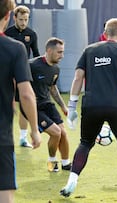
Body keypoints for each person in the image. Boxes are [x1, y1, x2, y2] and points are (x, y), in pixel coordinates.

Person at [60, 18, 117, 203]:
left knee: (85, 144)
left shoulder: (89, 50)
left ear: (105, 33)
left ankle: (71, 182)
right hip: (116, 105)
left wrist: (72, 105)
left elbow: (78, 78)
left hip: (91, 105)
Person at [0, 0, 41, 202]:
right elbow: (27, 94)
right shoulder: (13, 46)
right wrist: (36, 129)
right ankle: (26, 134)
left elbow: (37, 54)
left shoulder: (30, 36)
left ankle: (23, 135)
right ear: (9, 16)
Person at [29, 37, 71, 172]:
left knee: (63, 133)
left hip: (47, 105)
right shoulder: (32, 65)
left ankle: (66, 163)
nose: (62, 56)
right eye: (59, 52)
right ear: (49, 50)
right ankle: (52, 162)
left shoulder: (55, 70)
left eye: (63, 52)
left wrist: (63, 106)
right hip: (34, 107)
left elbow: (52, 88)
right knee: (56, 133)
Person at [5, 5, 40, 148]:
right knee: (6, 105)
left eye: (26, 20)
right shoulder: (7, 32)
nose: (23, 22)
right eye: (20, 19)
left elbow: (36, 55)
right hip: (7, 75)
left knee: (24, 105)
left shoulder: (31, 34)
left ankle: (23, 138)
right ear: (14, 18)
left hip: (22, 75)